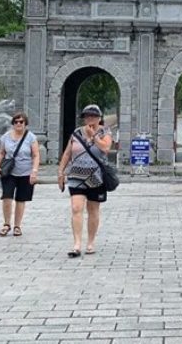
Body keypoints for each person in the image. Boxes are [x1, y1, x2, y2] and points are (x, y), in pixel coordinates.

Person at [57, 104, 113, 257]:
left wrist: (93, 136)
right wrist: (61, 172)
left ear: (99, 118)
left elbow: (106, 148)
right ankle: (76, 244)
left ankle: (90, 242)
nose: (90, 119)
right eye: (87, 116)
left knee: (93, 210)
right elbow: (68, 153)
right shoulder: (76, 133)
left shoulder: (105, 132)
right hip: (76, 176)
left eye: (94, 116)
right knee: (76, 208)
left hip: (96, 177)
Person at [0, 111, 40, 237]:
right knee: (7, 197)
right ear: (13, 123)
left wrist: (34, 171)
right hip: (9, 172)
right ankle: (6, 224)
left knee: (21, 199)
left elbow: (35, 155)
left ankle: (17, 225)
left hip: (25, 172)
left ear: (25, 123)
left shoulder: (31, 137)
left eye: (21, 122)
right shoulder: (6, 136)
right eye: (16, 122)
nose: (18, 124)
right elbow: (1, 152)